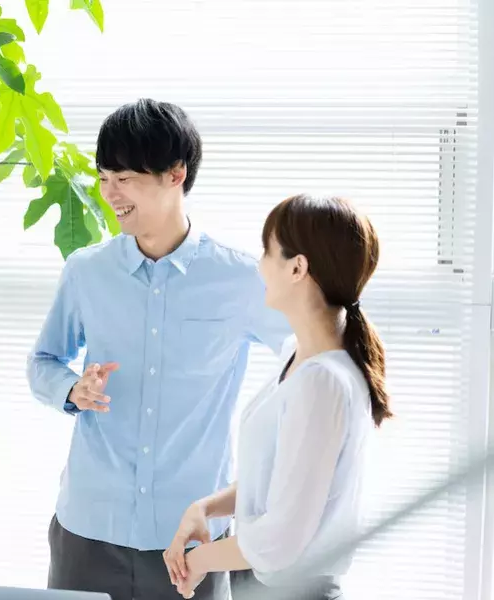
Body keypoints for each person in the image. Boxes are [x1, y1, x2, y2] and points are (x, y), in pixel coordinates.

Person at [26, 98, 291, 600]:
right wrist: (72, 389)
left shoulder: (241, 279)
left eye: (124, 178)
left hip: (191, 539)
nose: (110, 193)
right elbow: (43, 362)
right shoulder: (86, 271)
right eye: (103, 177)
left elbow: (308, 355)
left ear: (175, 174)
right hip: (88, 528)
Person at [163, 194, 392, 600]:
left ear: (297, 267)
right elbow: (277, 479)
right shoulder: (297, 355)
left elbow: (281, 539)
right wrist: (206, 508)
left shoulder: (323, 382)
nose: (259, 266)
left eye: (267, 252)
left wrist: (196, 561)